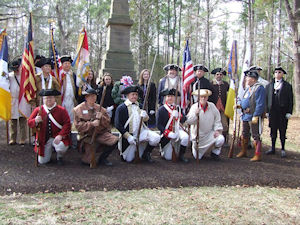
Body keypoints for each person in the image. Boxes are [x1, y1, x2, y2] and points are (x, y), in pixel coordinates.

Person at [115, 85, 161, 163]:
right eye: (132, 94)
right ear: (127, 95)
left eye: (136, 94)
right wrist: (128, 136)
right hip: (130, 136)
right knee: (129, 159)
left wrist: (146, 116)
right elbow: (118, 124)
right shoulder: (121, 108)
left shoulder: (140, 106)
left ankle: (146, 154)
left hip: (142, 132)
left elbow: (146, 120)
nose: (135, 96)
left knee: (156, 138)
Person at [73, 88, 118, 166]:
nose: (92, 98)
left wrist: (101, 118)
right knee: (88, 161)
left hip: (100, 134)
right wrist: (91, 124)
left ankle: (103, 158)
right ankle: (86, 155)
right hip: (87, 136)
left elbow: (107, 123)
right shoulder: (78, 109)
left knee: (114, 140)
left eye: (94, 96)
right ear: (86, 97)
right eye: (90, 96)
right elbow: (78, 126)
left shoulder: (101, 109)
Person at [27, 89, 71, 165]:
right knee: (43, 161)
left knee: (61, 148)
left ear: (54, 98)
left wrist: (60, 135)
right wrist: (35, 120)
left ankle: (59, 156)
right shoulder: (38, 110)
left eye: (50, 97)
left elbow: (67, 124)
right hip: (44, 139)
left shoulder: (62, 110)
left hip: (57, 137)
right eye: (46, 98)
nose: (48, 99)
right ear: (43, 99)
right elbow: (29, 122)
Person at [186, 89, 224, 161]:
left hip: (209, 134)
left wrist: (217, 130)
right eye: (201, 96)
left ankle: (215, 153)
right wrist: (195, 115)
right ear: (199, 97)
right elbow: (189, 121)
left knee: (220, 139)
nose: (203, 98)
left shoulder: (212, 106)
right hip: (198, 137)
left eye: (205, 97)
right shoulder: (194, 107)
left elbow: (217, 119)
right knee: (197, 156)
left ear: (207, 97)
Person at [236, 71, 265, 162]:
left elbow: (260, 103)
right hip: (245, 115)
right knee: (244, 134)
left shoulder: (259, 88)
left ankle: (257, 155)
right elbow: (244, 99)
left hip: (253, 115)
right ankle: (243, 151)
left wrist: (256, 115)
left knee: (255, 135)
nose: (246, 79)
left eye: (247, 78)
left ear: (253, 79)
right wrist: (240, 105)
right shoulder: (248, 88)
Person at [265, 67, 293, 157]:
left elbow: (291, 100)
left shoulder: (287, 86)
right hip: (272, 112)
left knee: (282, 131)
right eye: (276, 72)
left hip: (282, 112)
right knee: (273, 131)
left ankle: (283, 149)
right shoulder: (269, 86)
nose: (277, 74)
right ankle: (272, 148)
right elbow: (266, 99)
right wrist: (267, 111)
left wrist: (289, 112)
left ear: (282, 74)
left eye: (279, 72)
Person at [157, 89, 189, 162]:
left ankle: (181, 155)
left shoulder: (178, 108)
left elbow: (184, 119)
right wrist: (168, 133)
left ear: (175, 98)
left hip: (178, 130)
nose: (170, 98)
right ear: (166, 97)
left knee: (185, 137)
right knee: (168, 157)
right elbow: (159, 125)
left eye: (172, 96)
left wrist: (179, 116)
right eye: (168, 96)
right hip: (167, 133)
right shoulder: (161, 109)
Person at [8, 58, 30, 146]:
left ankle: (22, 139)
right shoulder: (9, 76)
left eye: (17, 69)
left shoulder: (25, 76)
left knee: (22, 120)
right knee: (12, 121)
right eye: (15, 69)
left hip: (22, 100)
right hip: (12, 100)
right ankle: (12, 138)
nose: (16, 71)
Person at [60, 55, 79, 150]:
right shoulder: (59, 74)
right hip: (62, 101)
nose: (67, 65)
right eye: (65, 64)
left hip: (72, 101)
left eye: (68, 63)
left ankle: (72, 141)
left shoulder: (73, 75)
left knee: (72, 121)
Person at [210, 68, 230, 146]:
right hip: (213, 107)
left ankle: (224, 140)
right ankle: (212, 139)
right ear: (215, 75)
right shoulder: (211, 84)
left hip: (223, 108)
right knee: (212, 123)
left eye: (221, 75)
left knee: (224, 124)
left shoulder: (226, 84)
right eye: (217, 74)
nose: (219, 76)